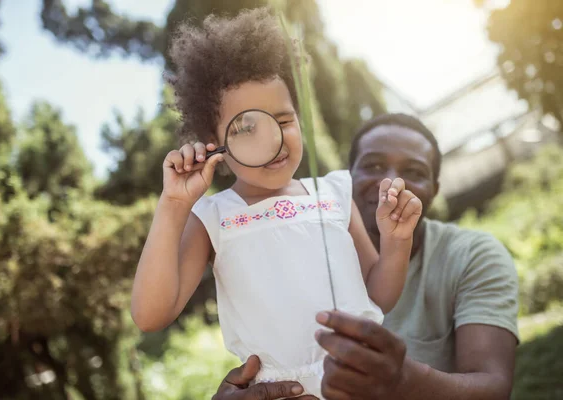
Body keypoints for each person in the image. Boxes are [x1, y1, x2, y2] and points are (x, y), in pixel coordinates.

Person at [130, 9, 423, 398]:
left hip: (363, 383)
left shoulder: (334, 192)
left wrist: (396, 241)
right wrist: (172, 204)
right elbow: (151, 314)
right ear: (213, 142)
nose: (275, 141)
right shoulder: (212, 218)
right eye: (247, 129)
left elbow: (377, 295)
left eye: (284, 121)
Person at [213, 113, 519, 400]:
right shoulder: (290, 262)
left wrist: (404, 381)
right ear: (344, 179)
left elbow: (493, 387)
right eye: (373, 166)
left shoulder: (473, 256)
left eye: (414, 172)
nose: (391, 183)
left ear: (435, 189)